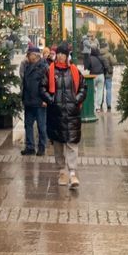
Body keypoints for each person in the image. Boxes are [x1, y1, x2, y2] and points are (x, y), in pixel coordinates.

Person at [44, 42, 86, 188]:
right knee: (58, 144)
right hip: (56, 114)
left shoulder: (74, 70)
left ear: (67, 56)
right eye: (59, 53)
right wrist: (51, 100)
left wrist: (76, 100)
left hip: (72, 114)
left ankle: (73, 173)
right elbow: (42, 88)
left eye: (64, 54)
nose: (61, 56)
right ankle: (62, 171)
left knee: (72, 144)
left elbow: (83, 87)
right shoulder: (50, 70)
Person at [20, 44, 48, 156]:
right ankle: (30, 147)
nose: (27, 56)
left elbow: (47, 85)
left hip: (40, 102)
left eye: (29, 54)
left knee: (41, 126)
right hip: (29, 101)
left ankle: (42, 147)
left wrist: (46, 99)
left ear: (35, 55)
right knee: (28, 125)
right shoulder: (27, 66)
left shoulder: (44, 67)